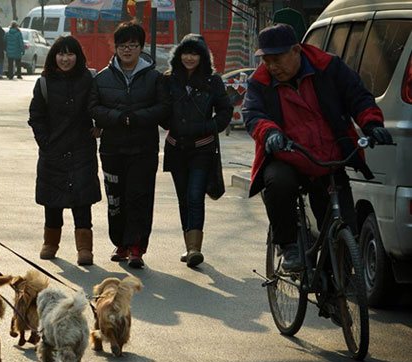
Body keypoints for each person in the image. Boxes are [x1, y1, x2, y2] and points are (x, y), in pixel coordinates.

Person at [242, 24, 393, 272]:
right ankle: (288, 245)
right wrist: (269, 132)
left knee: (344, 229)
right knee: (278, 184)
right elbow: (253, 114)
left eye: (276, 59)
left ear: (296, 50)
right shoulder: (259, 83)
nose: (271, 66)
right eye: (266, 60)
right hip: (287, 156)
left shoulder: (329, 68)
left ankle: (336, 290)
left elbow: (358, 97)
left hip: (330, 157)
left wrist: (372, 124)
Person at [88, 21, 169, 269]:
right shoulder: (102, 77)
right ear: (116, 47)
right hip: (112, 149)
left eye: (133, 45)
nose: (127, 50)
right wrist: (116, 118)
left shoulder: (154, 77)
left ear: (141, 47)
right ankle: (120, 243)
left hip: (143, 149)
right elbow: (93, 108)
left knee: (139, 197)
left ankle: (136, 247)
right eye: (123, 45)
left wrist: (136, 117)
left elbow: (163, 108)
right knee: (116, 199)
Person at [28, 36, 101, 266]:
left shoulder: (89, 79)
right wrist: (45, 142)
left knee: (82, 201)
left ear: (77, 56)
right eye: (61, 54)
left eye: (70, 54)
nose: (65, 58)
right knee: (53, 201)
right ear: (54, 56)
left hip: (82, 150)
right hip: (53, 151)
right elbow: (36, 117)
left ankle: (84, 249)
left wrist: (100, 126)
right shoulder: (44, 83)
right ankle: (50, 243)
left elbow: (99, 105)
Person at [162, 34, 232, 267]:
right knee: (184, 198)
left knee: (194, 196)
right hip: (176, 148)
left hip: (202, 149)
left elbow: (225, 111)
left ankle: (194, 248)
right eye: (185, 53)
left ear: (202, 57)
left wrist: (208, 128)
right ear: (178, 55)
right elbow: (160, 108)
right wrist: (168, 122)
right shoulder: (169, 80)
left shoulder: (213, 81)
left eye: (194, 53)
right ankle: (188, 244)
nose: (189, 58)